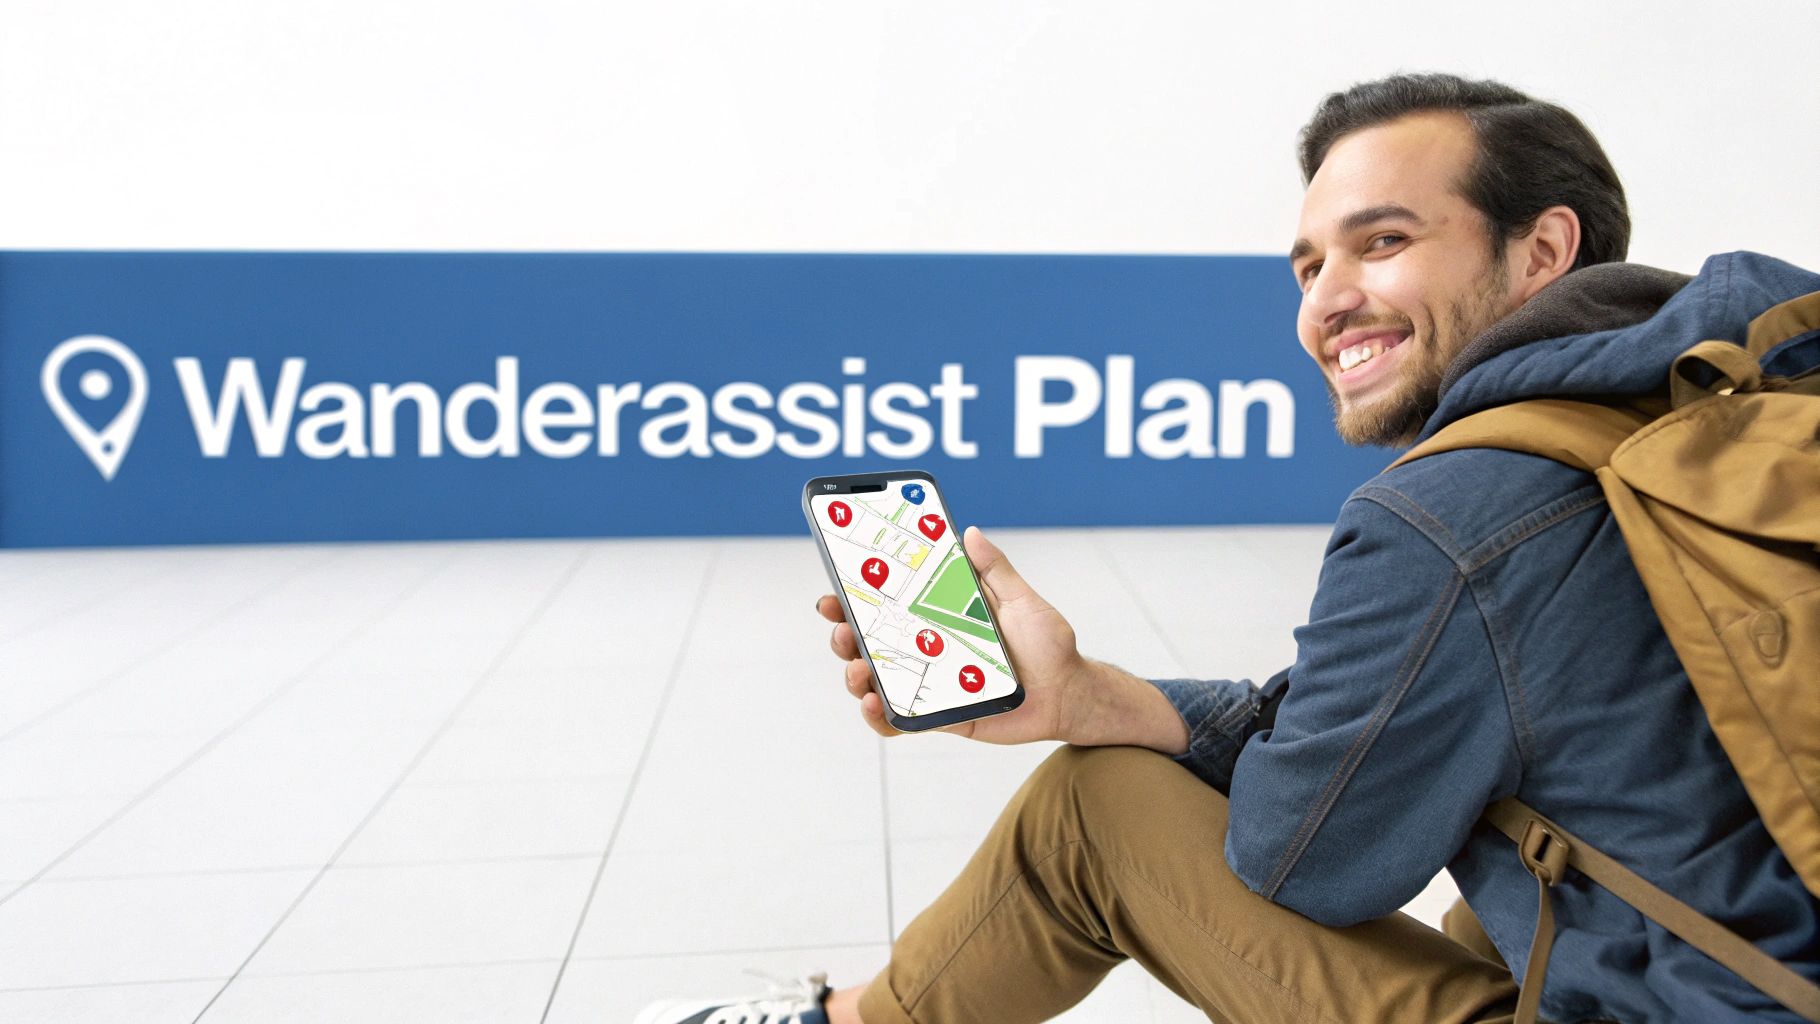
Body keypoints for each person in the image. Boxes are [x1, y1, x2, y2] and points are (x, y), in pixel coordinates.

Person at [634, 72, 1820, 1024]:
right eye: (1308, 265)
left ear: (1543, 247)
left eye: (1381, 241)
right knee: (1501, 848)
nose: (1326, 299)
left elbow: (1305, 855)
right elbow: (1371, 724)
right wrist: (1093, 690)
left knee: (1092, 813)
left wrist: (1106, 730)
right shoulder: (1722, 406)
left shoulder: (1450, 512)